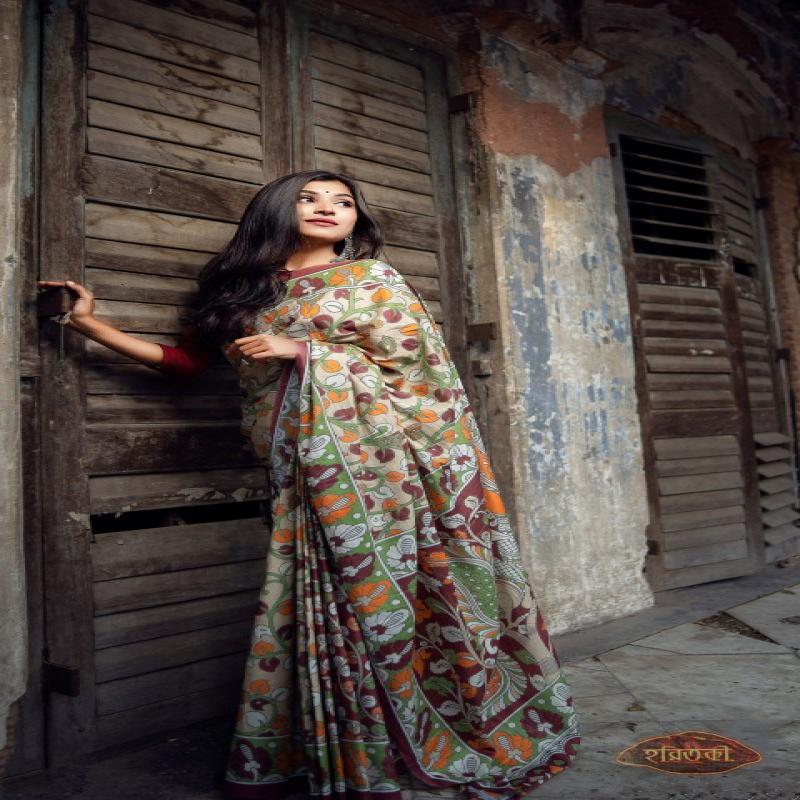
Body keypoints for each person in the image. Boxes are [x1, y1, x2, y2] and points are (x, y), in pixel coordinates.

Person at [37, 170, 581, 800]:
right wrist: (88, 326)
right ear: (276, 209)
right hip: (295, 474)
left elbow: (421, 375)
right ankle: (340, 749)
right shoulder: (244, 292)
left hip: (381, 477)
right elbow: (186, 364)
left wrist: (304, 353)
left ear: (356, 220)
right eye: (310, 198)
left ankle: (408, 741)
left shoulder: (374, 281)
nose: (328, 208)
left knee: (378, 599)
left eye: (343, 202)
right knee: (314, 607)